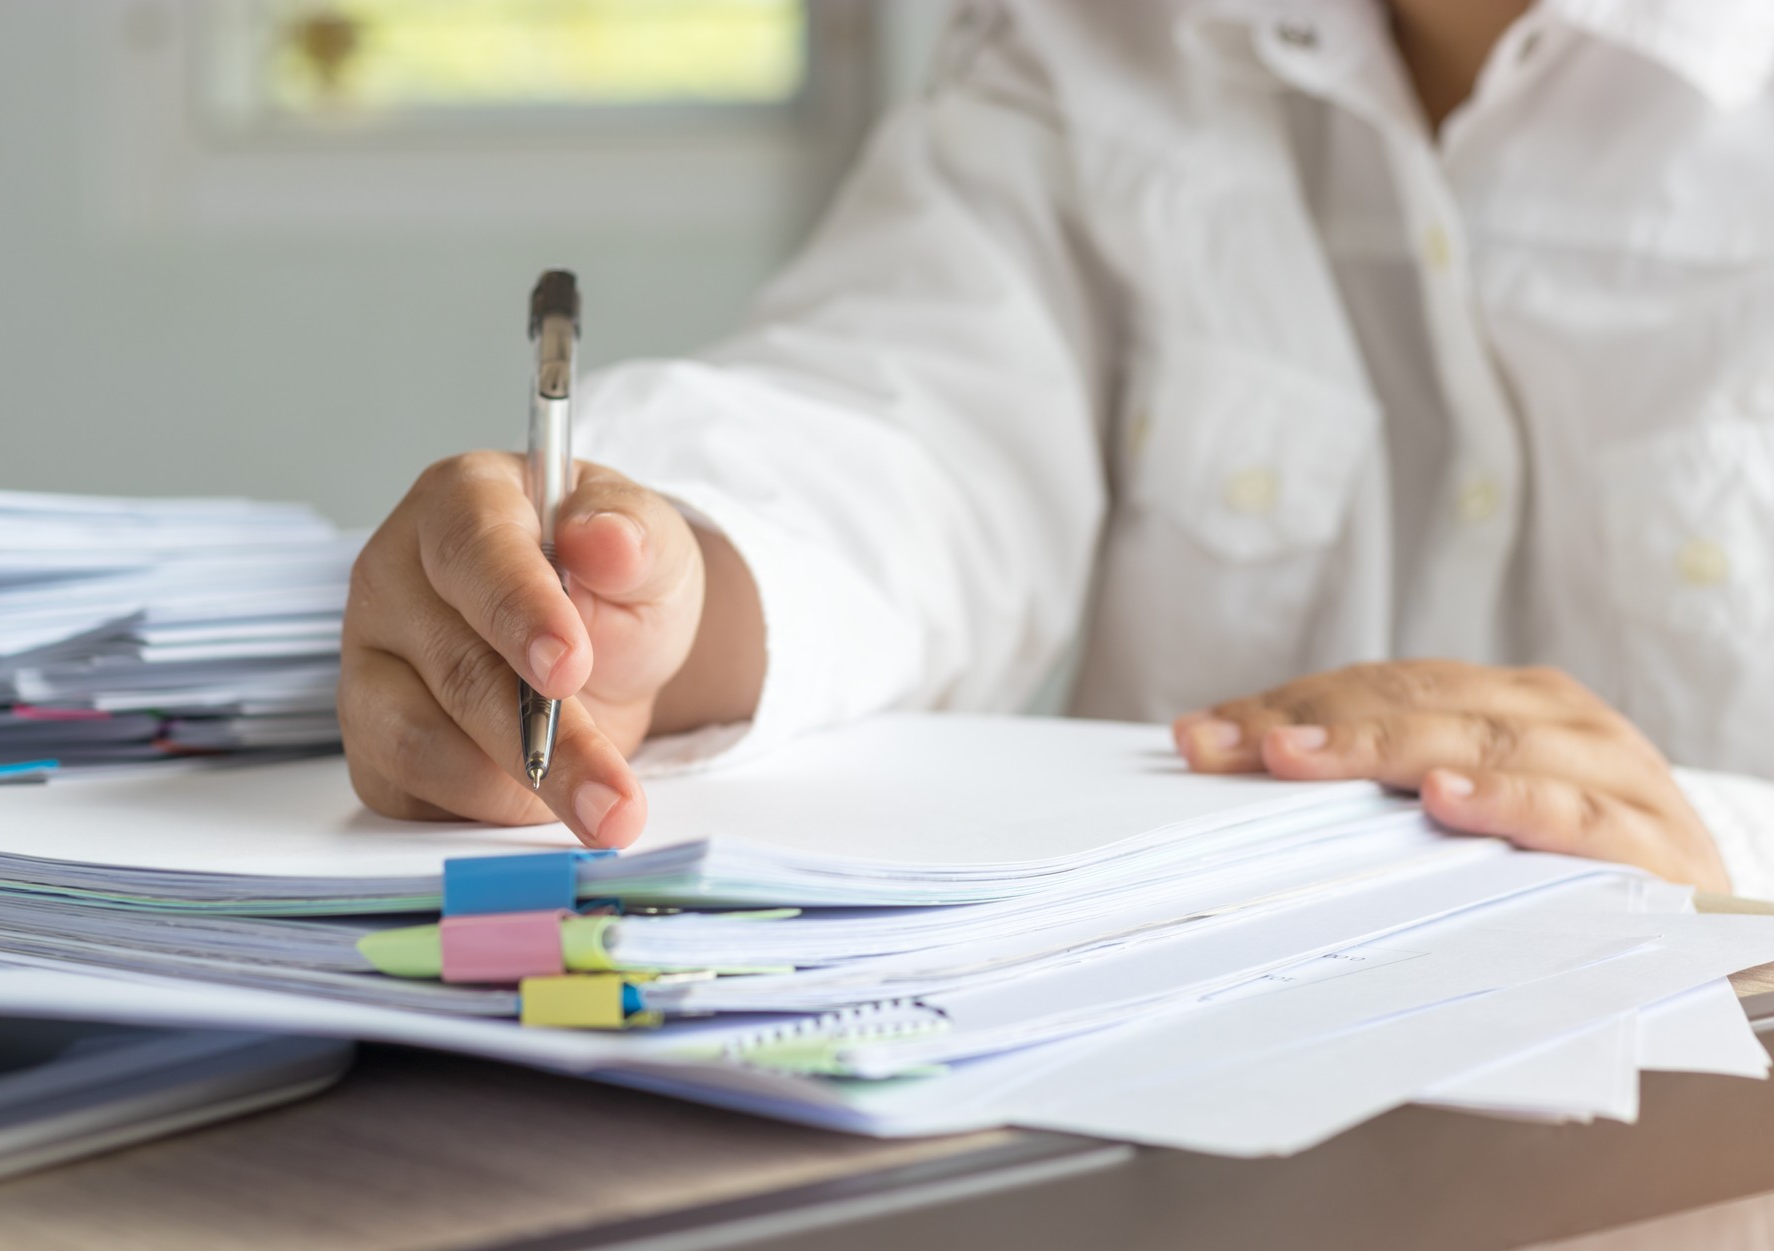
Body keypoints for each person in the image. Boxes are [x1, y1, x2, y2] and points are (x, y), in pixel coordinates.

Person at [336, 0, 1774, 901]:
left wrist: (1717, 844)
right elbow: (902, 425)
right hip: (1168, 1181)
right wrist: (651, 592)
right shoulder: (1090, 36)